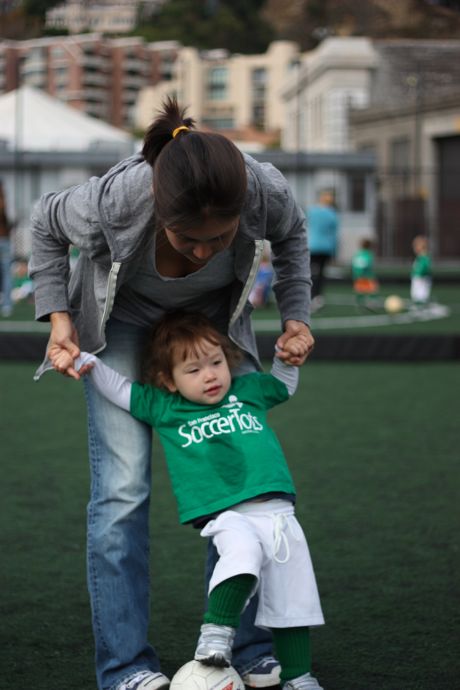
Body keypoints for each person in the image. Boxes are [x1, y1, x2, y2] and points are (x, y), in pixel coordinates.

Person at [29, 96, 315, 690]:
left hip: (213, 324)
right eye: (190, 241)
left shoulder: (263, 191)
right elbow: (44, 223)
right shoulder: (119, 198)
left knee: (242, 483)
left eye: (221, 238)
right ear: (160, 211)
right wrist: (60, 319)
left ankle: (249, 647)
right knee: (122, 490)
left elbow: (291, 237)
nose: (207, 251)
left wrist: (295, 315)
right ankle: (127, 666)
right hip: (126, 323)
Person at [69, 311, 325, 690]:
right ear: (167, 381)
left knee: (294, 600)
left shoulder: (248, 390)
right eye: (193, 370)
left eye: (216, 362)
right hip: (228, 514)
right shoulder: (166, 407)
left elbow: (283, 387)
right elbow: (122, 391)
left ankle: (299, 677)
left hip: (280, 515)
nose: (210, 375)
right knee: (241, 558)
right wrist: (88, 363)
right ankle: (216, 633)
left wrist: (287, 359)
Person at [306, 191, 339, 312]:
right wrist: (335, 253)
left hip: (312, 246)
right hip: (326, 248)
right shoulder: (333, 214)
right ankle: (318, 298)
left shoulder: (312, 211)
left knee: (310, 273)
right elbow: (335, 235)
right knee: (321, 274)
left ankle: (308, 296)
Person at [351, 238, 379, 309]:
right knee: (373, 290)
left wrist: (356, 274)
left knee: (360, 290)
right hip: (367, 276)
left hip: (357, 276)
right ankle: (372, 302)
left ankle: (359, 302)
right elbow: (368, 264)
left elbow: (354, 265)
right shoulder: (369, 254)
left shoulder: (357, 254)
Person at [0, 180, 13, 317]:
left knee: (6, 274)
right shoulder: (2, 200)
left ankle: (7, 304)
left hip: (4, 240)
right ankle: (7, 304)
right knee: (6, 274)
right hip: (3, 240)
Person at [410, 235, 432, 306]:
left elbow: (424, 269)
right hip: (417, 280)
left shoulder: (424, 258)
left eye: (416, 246)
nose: (414, 248)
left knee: (421, 296)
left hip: (422, 280)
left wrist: (418, 273)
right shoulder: (419, 258)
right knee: (415, 297)